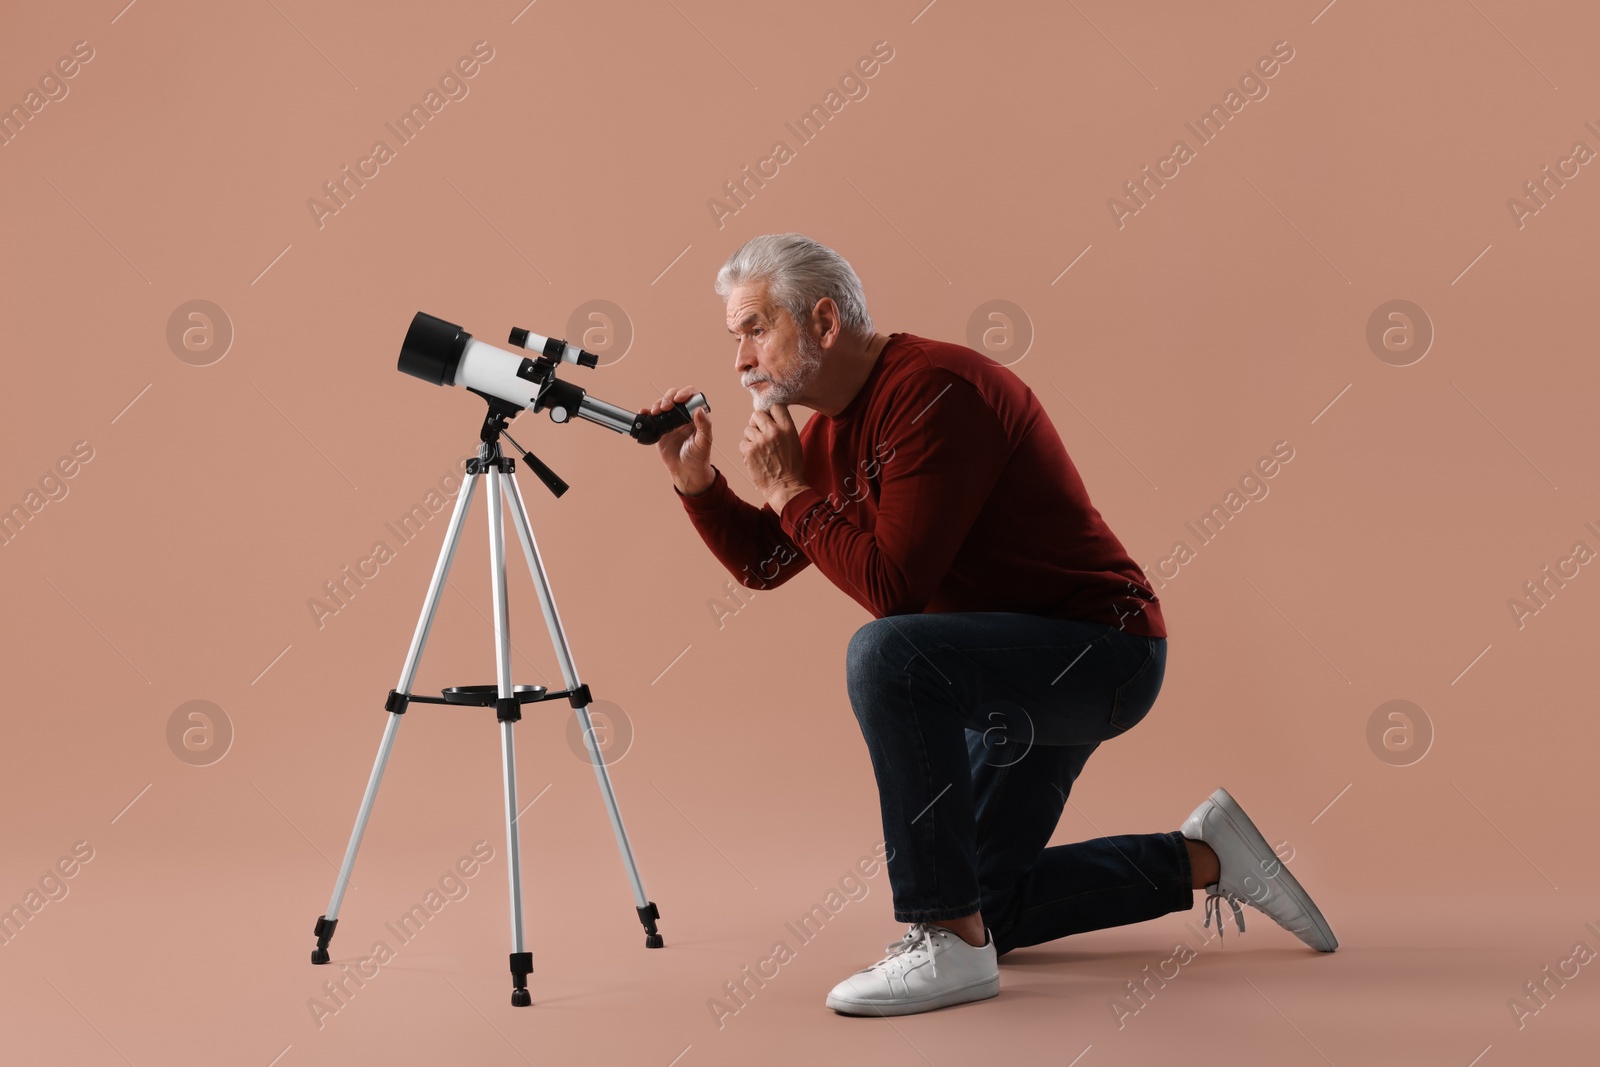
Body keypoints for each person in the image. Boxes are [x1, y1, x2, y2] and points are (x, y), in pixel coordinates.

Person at [651, 233, 1337, 1018]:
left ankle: (944, 941)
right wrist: (698, 482)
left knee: (886, 655)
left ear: (825, 322)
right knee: (990, 902)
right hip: (1006, 673)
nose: (740, 359)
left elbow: (894, 589)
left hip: (1102, 654)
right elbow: (772, 562)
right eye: (734, 337)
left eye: (754, 328)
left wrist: (789, 491)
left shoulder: (937, 391)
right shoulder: (833, 432)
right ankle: (1207, 857)